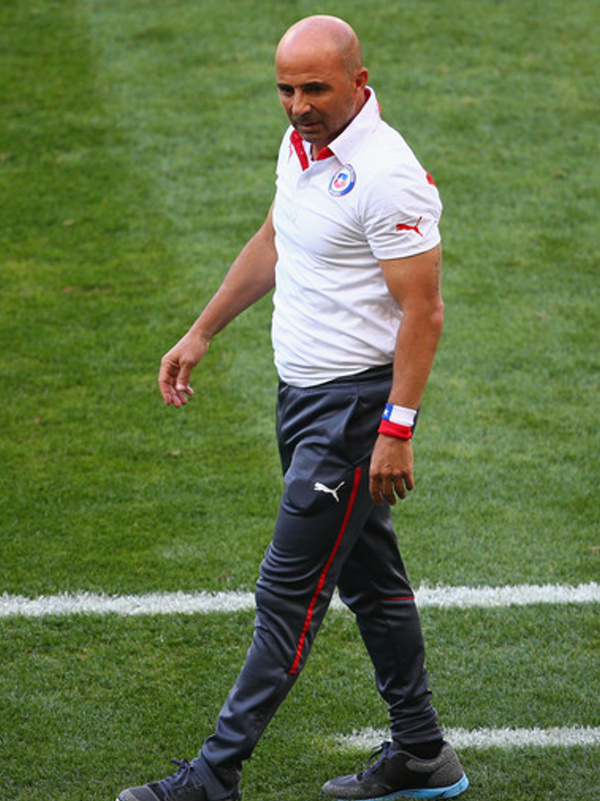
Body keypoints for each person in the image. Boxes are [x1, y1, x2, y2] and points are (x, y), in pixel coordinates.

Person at [117, 14, 469, 801]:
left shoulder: (387, 175)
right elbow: (276, 238)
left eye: (315, 88)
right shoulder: (303, 144)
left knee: (287, 592)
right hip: (301, 401)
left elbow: (425, 311)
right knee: (370, 581)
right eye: (286, 89)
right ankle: (422, 752)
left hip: (352, 414)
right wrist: (202, 329)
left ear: (359, 82)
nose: (299, 104)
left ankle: (214, 774)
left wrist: (396, 428)